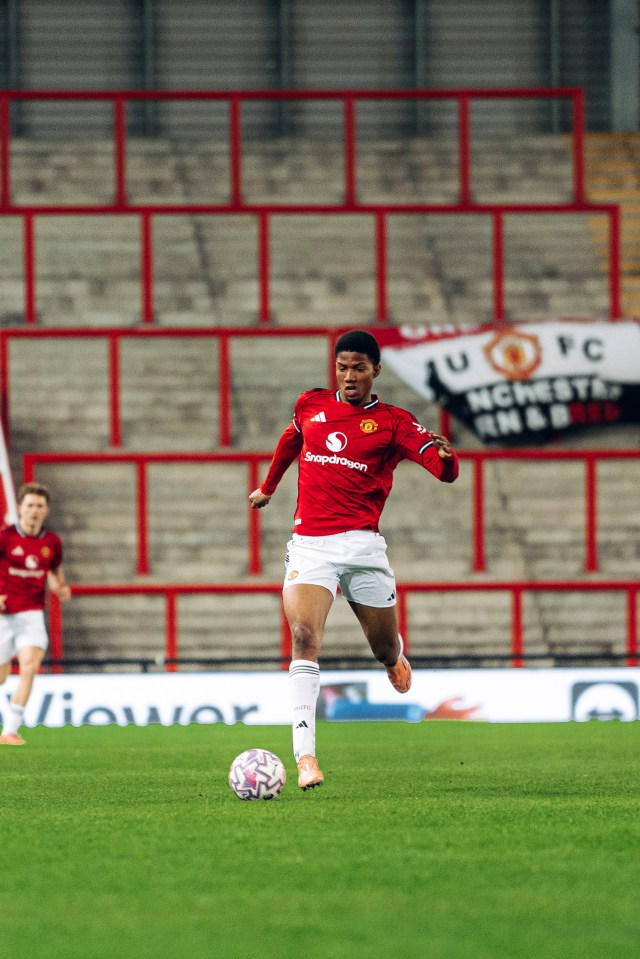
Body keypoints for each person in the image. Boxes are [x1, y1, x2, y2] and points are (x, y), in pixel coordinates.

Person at [249, 329, 459, 790]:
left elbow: (439, 468)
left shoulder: (394, 422)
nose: (348, 376)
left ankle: (393, 658)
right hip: (310, 544)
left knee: (383, 646)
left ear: (374, 371)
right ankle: (305, 758)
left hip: (363, 547)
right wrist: (268, 487)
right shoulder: (311, 405)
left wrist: (447, 460)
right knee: (304, 637)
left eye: (358, 368)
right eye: (342, 367)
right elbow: (290, 440)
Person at [0, 482, 72, 745]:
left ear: (46, 511)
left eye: (39, 506)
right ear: (19, 508)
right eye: (29, 505)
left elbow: (53, 573)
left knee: (30, 667)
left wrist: (60, 589)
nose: (34, 511)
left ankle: (9, 730)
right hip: (4, 616)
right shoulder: (5, 537)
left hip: (31, 615)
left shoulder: (52, 542)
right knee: (2, 676)